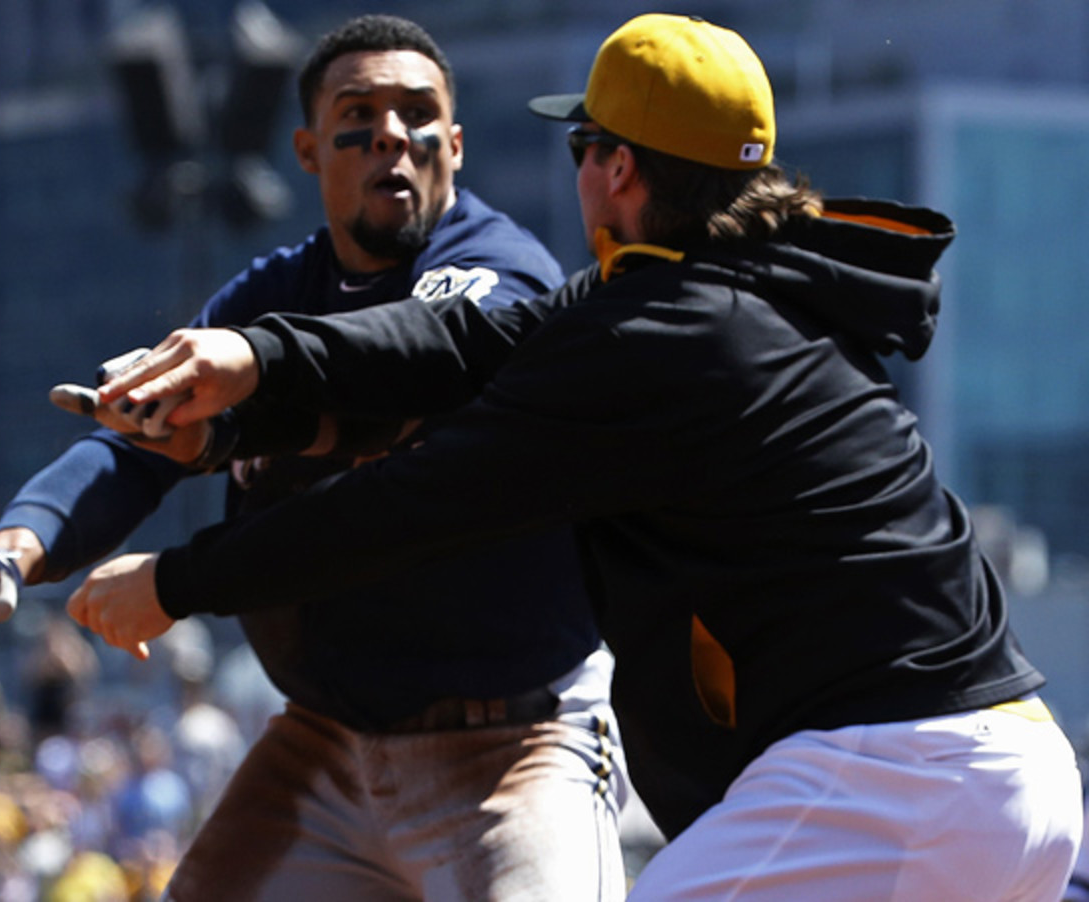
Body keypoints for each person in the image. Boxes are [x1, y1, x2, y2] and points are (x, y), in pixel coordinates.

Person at [67, 12, 1085, 900]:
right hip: (1016, 773)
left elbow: (408, 505)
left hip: (891, 779)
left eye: (582, 145)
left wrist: (177, 579)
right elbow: (467, 342)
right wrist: (255, 357)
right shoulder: (745, 286)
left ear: (618, 168)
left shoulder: (651, 337)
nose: (581, 169)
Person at [0, 15, 628, 902]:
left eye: (418, 113)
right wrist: (14, 551)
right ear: (308, 150)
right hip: (324, 743)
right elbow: (134, 449)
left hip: (514, 743)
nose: (392, 136)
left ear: (457, 144)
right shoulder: (269, 294)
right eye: (358, 117)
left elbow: (411, 362)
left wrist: (251, 377)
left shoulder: (497, 272)